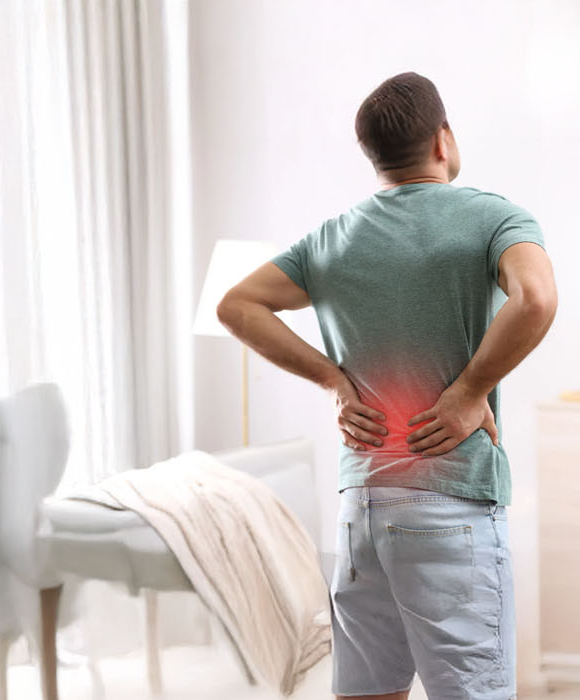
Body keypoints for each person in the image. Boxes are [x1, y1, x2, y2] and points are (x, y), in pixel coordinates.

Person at [216, 71, 557, 700]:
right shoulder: (492, 217)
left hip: (361, 514)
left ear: (373, 156)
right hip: (449, 509)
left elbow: (236, 305)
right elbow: (535, 298)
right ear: (443, 140)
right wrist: (468, 391)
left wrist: (333, 382)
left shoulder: (331, 238)